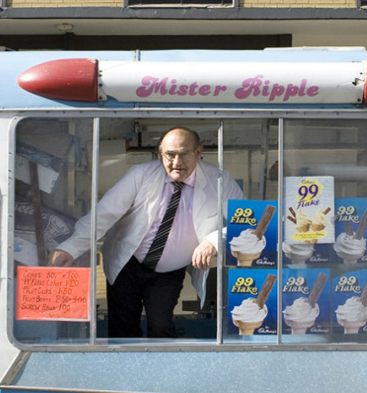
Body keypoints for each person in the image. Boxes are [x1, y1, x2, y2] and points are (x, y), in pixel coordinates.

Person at [49, 126, 243, 338]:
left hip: (170, 272)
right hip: (127, 263)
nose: (176, 162)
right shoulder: (141, 174)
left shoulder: (219, 181)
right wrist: (69, 248)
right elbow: (104, 214)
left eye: (184, 154)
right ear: (161, 154)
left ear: (198, 152)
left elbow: (247, 221)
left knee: (160, 326)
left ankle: (163, 370)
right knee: (122, 328)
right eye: (170, 154)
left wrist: (213, 240)